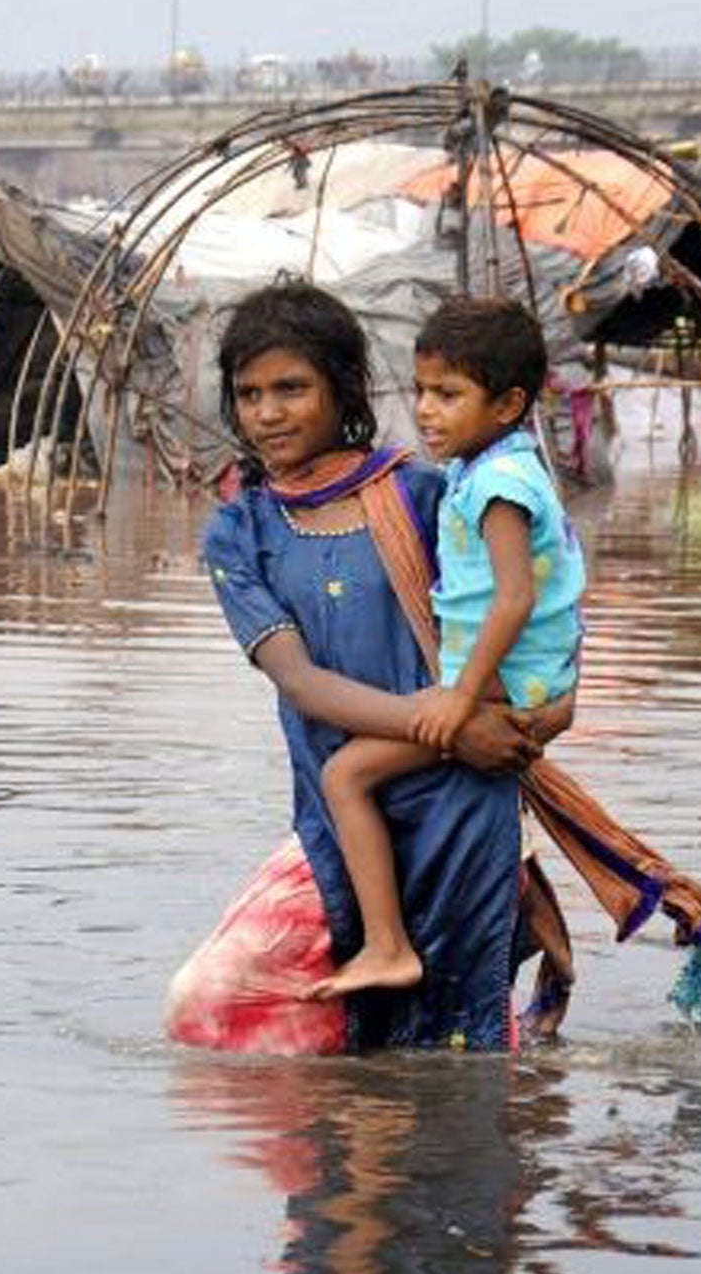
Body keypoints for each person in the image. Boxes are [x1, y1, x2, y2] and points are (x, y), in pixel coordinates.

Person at [176, 281, 562, 1053]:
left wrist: (512, 719)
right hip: (340, 803)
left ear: (342, 388)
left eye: (292, 388)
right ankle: (348, 1163)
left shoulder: (425, 494)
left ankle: (448, 1166)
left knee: (456, 1047)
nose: (268, 413)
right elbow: (300, 681)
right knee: (209, 1002)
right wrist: (455, 726)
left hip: (459, 803)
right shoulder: (241, 531)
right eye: (249, 393)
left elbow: (527, 605)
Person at [308, 297, 584, 1001]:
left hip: (498, 690)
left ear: (508, 402)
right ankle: (544, 937)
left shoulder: (498, 484)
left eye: (449, 394)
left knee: (345, 774)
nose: (427, 409)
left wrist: (463, 696)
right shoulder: (491, 465)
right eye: (422, 391)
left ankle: (386, 945)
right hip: (514, 684)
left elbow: (515, 596)